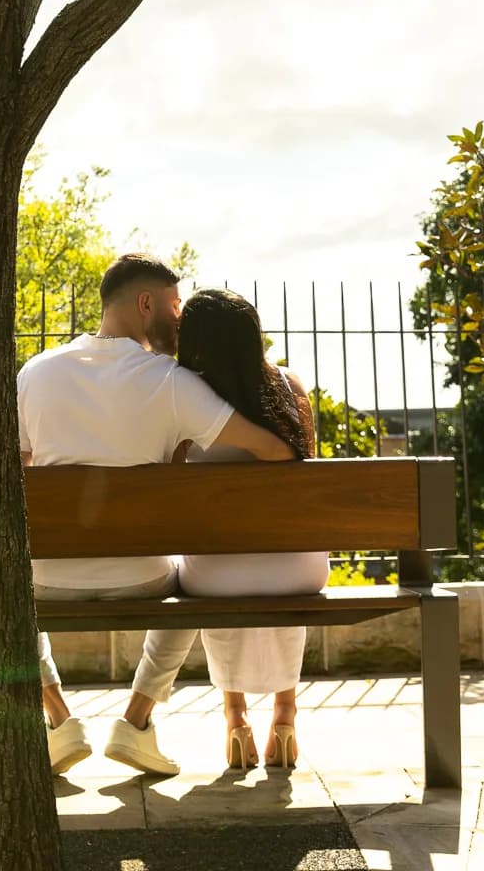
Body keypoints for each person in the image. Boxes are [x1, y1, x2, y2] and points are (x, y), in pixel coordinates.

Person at [18, 253, 298, 778]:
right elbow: (271, 449)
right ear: (146, 303)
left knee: (5, 592)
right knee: (188, 587)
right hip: (140, 578)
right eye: (174, 306)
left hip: (46, 580)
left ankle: (58, 719)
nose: (180, 319)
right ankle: (135, 720)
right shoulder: (171, 382)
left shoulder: (36, 372)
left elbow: (15, 471)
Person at [171, 289, 327, 770]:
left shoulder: (183, 396)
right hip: (299, 570)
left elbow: (169, 474)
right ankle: (285, 716)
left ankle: (235, 719)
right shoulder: (288, 386)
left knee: (212, 562)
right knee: (283, 553)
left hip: (216, 575)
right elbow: (310, 464)